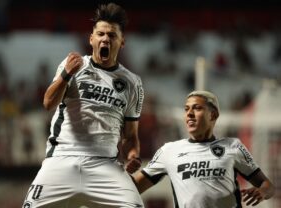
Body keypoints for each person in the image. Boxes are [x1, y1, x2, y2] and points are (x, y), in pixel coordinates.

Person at [22, 3, 144, 208]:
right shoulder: (74, 66)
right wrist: (65, 74)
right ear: (92, 39)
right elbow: (48, 103)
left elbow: (131, 136)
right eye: (101, 34)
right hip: (62, 159)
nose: (106, 39)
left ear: (122, 42)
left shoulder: (132, 82)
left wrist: (133, 155)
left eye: (112, 35)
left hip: (106, 165)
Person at [133, 90, 275, 208]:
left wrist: (262, 192)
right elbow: (133, 187)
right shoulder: (168, 151)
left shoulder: (233, 146)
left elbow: (268, 185)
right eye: (186, 109)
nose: (189, 113)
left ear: (213, 115)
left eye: (197, 108)